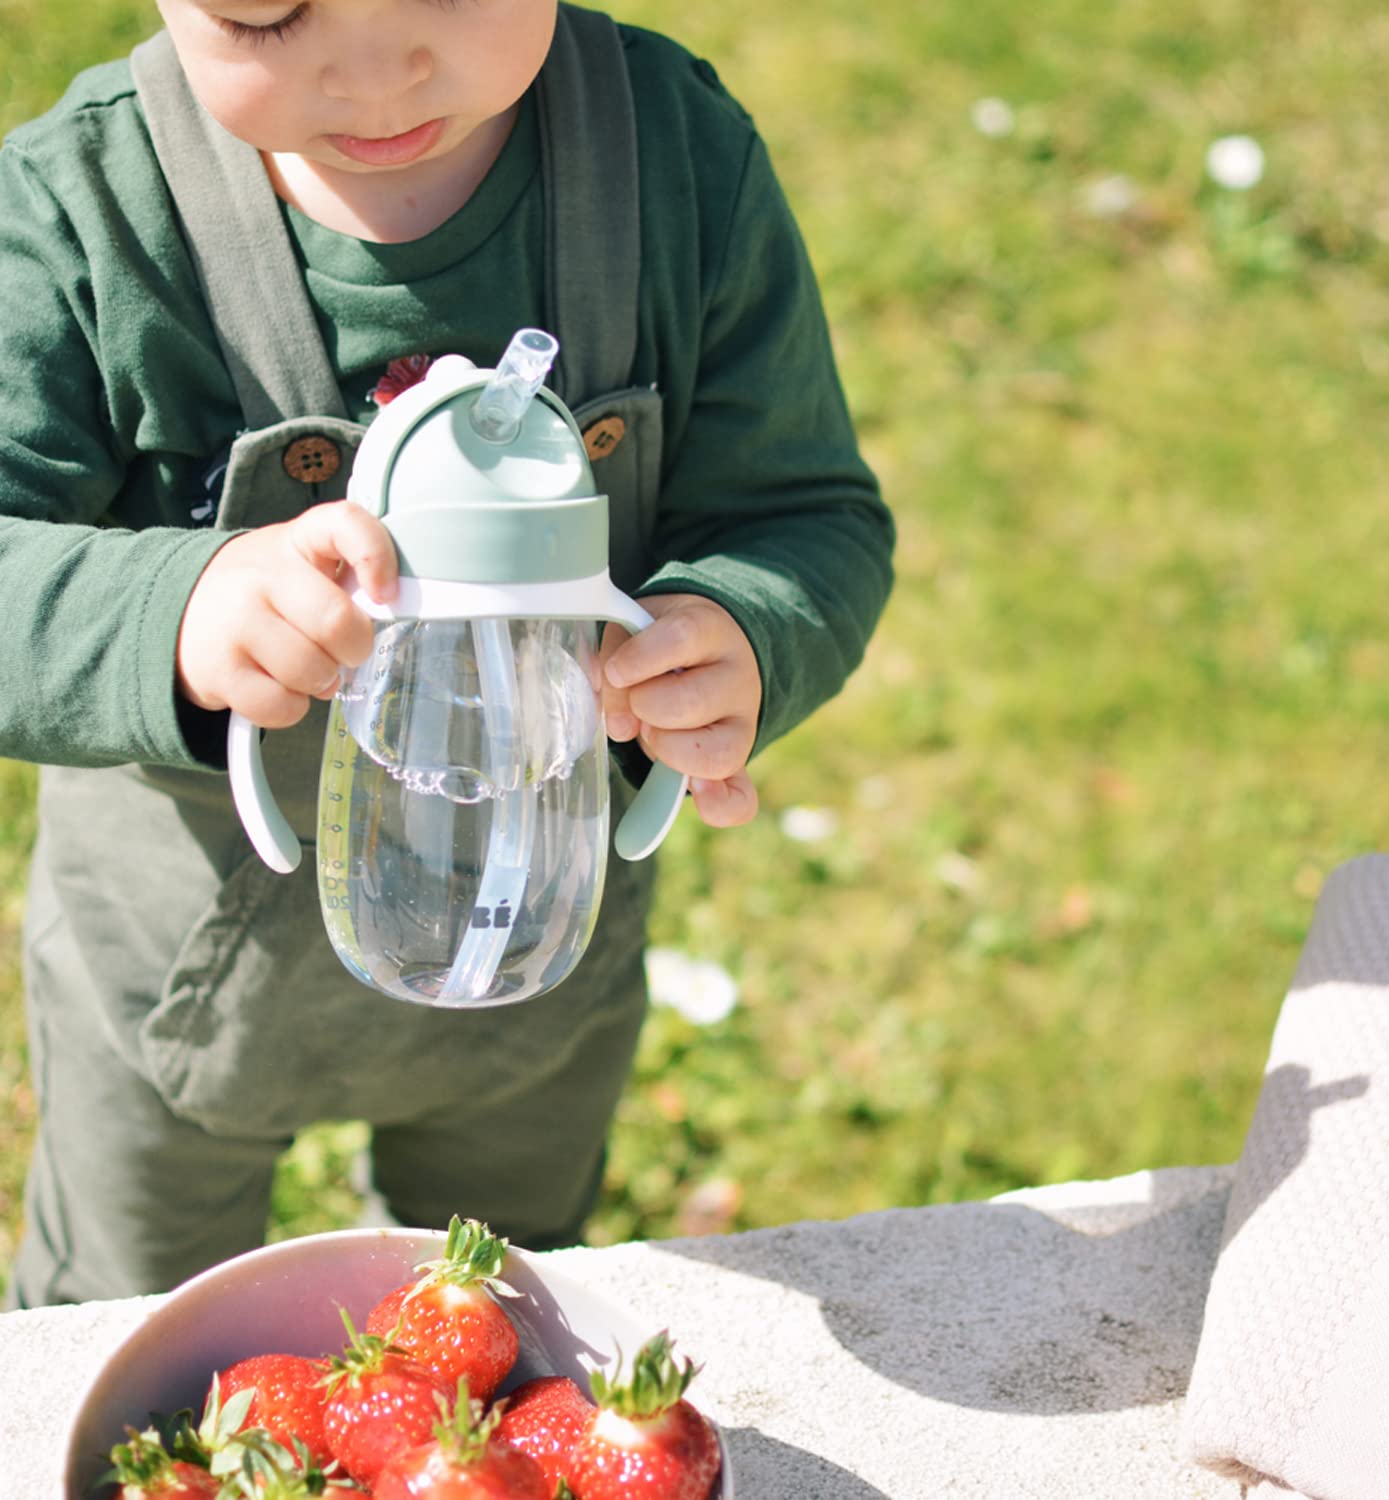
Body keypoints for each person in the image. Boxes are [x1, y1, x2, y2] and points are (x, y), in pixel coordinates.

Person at [0, 0, 894, 1307]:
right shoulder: (84, 213)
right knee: (133, 1332)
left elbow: (805, 515)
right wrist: (174, 610)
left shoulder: (669, 162)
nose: (376, 70)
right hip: (179, 992)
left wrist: (744, 628)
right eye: (266, 10)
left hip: (534, 972)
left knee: (496, 1309)